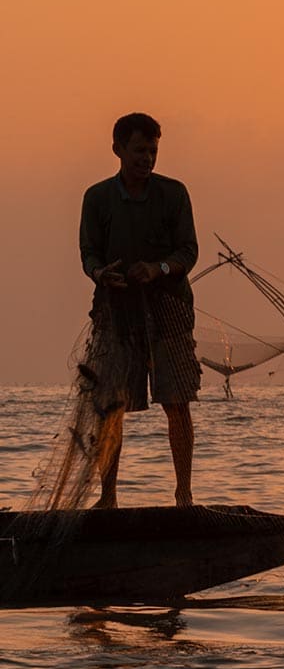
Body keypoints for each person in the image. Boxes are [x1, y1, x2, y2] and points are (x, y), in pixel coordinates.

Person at [78, 112, 200, 508]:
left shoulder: (174, 193)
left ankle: (183, 493)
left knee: (176, 402)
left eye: (153, 150)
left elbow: (188, 252)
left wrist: (158, 268)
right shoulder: (97, 198)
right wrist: (101, 274)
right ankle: (108, 497)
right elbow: (89, 254)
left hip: (168, 313)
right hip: (116, 314)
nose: (147, 158)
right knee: (110, 405)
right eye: (139, 150)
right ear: (117, 149)